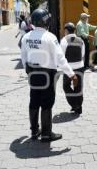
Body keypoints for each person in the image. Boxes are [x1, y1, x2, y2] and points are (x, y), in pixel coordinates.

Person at [21, 9, 78, 142]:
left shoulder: (26, 37)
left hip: (33, 73)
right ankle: (46, 134)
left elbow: (23, 57)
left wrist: (28, 70)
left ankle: (34, 131)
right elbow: (60, 58)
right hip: (47, 75)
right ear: (46, 21)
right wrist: (72, 75)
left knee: (34, 101)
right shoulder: (50, 37)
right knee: (47, 102)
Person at [60, 22, 85, 114]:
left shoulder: (64, 40)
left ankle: (74, 104)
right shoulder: (81, 40)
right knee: (78, 86)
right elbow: (82, 54)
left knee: (66, 86)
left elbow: (61, 55)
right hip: (80, 66)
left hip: (68, 68)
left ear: (66, 30)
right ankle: (79, 106)